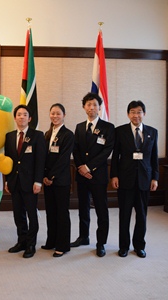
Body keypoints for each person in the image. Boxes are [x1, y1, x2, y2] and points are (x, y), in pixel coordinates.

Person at [111, 100, 158, 258]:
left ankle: (139, 246)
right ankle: (124, 246)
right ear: (128, 114)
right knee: (124, 215)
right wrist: (114, 175)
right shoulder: (120, 131)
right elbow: (115, 156)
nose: (136, 115)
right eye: (132, 112)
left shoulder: (152, 132)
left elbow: (153, 157)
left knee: (142, 216)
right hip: (125, 179)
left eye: (139, 112)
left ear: (144, 113)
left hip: (144, 179)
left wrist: (155, 178)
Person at [71, 92, 115, 257]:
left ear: (99, 107)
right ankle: (83, 237)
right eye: (88, 105)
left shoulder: (108, 127)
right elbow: (76, 149)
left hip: (98, 175)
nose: (91, 108)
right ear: (84, 107)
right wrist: (81, 168)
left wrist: (89, 167)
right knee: (83, 207)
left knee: (101, 209)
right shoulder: (79, 127)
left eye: (95, 104)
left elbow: (106, 151)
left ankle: (101, 242)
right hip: (82, 175)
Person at [4, 104, 47, 258]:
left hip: (30, 183)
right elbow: (8, 161)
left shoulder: (37, 135)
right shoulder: (9, 136)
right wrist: (7, 180)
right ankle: (21, 241)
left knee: (31, 214)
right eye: (19, 114)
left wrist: (38, 181)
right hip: (15, 182)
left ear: (30, 118)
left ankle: (30, 244)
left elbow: (40, 160)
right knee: (18, 214)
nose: (21, 117)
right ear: (15, 118)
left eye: (25, 114)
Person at [42, 104, 74, 257]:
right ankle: (51, 240)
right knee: (51, 211)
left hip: (60, 180)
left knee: (62, 213)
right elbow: (43, 158)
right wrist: (44, 176)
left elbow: (63, 160)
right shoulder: (47, 134)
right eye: (52, 113)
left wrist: (51, 177)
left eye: (58, 113)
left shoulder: (68, 135)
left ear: (64, 115)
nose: (55, 116)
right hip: (47, 179)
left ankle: (62, 245)